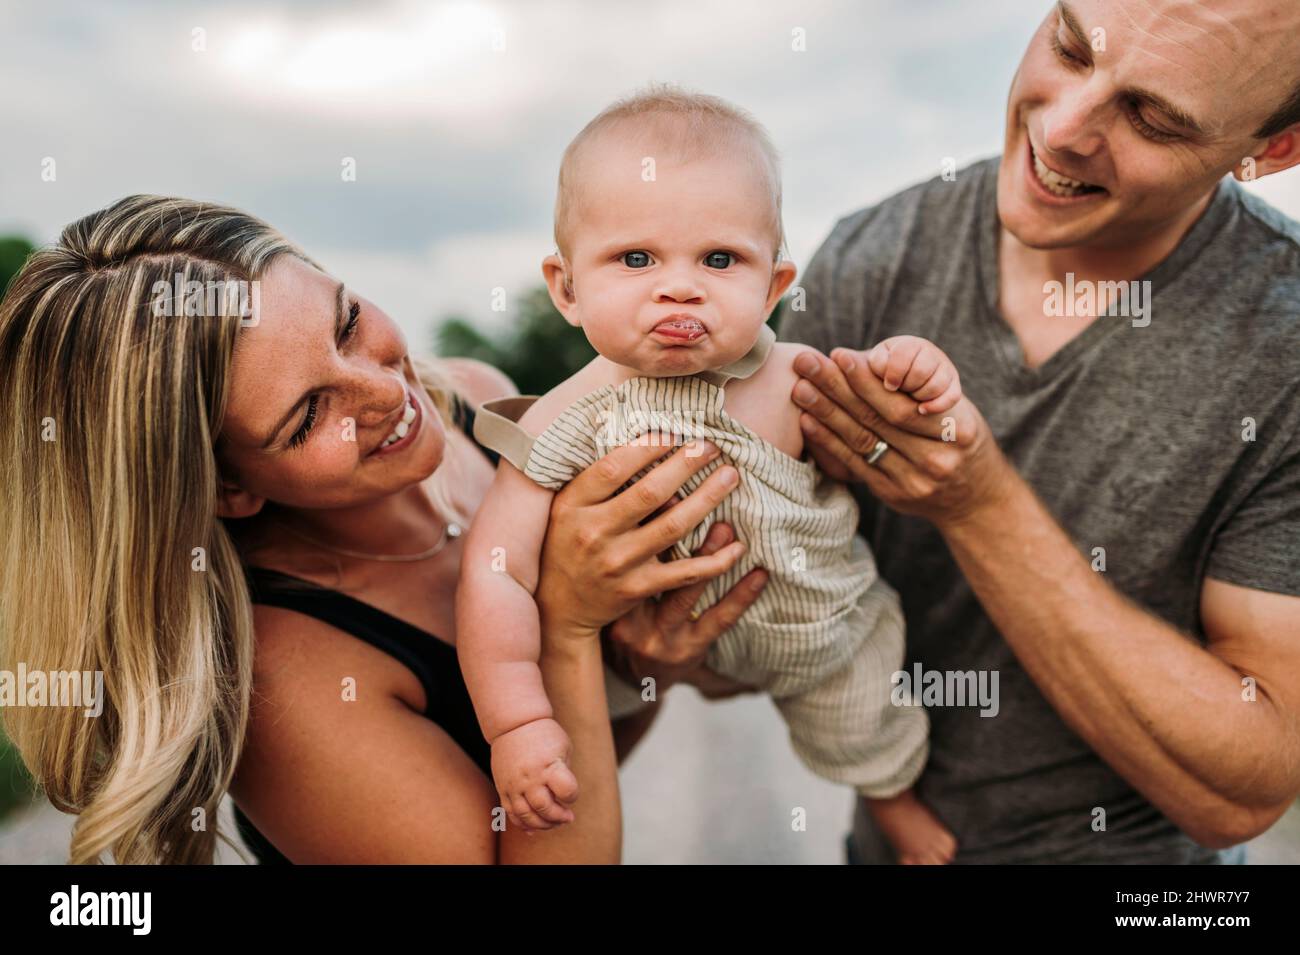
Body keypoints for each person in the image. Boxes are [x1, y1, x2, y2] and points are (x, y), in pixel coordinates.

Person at [0, 194, 768, 863]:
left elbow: (586, 770)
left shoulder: (478, 402)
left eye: (348, 321)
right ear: (228, 486)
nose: (386, 389)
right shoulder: (288, 678)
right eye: (307, 415)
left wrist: (651, 660)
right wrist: (567, 628)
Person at [780, 0, 1300, 863]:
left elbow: (1244, 790)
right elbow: (759, 624)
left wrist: (978, 504)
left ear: (1270, 149)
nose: (1061, 130)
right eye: (1068, 44)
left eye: (1154, 118)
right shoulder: (870, 260)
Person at [459, 87, 964, 862]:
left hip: (831, 625)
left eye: (719, 259)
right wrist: (518, 722)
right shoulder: (564, 418)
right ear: (566, 288)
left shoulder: (795, 377)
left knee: (868, 720)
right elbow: (495, 573)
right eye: (636, 258)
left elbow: (886, 420)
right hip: (685, 640)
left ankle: (889, 800)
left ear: (773, 285)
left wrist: (917, 375)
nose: (679, 286)